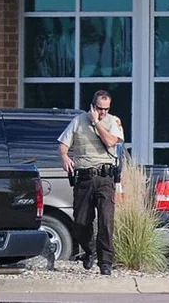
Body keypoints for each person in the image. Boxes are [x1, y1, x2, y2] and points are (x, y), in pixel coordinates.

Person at [58, 90, 124, 276]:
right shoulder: (78, 121)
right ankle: (89, 251)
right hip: (84, 179)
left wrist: (96, 122)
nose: (102, 112)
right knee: (81, 221)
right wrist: (64, 156)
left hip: (105, 178)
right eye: (99, 108)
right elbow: (63, 144)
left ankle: (106, 262)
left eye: (106, 109)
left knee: (106, 220)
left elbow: (111, 142)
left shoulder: (113, 121)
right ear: (92, 106)